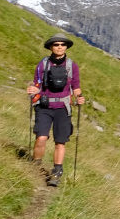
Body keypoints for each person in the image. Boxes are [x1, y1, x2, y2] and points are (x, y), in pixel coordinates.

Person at [27, 34, 85, 186]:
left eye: (63, 44)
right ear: (51, 47)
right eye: (56, 44)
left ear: (66, 47)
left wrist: (79, 97)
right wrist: (33, 89)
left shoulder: (72, 66)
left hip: (63, 108)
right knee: (41, 138)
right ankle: (35, 166)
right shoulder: (43, 64)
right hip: (44, 106)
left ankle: (56, 173)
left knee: (60, 142)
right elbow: (37, 83)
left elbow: (76, 87)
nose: (60, 46)